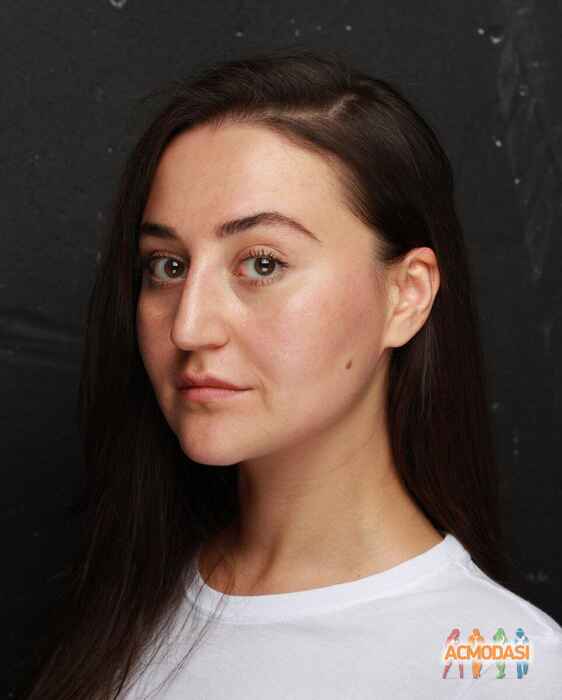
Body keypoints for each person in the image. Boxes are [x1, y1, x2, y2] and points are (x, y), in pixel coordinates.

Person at [21, 46, 562, 700]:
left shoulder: (500, 664)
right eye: (168, 266)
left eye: (263, 263)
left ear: (406, 296)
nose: (189, 327)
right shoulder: (124, 605)